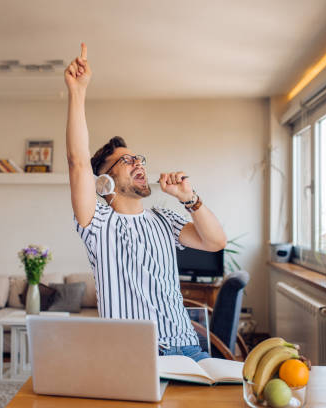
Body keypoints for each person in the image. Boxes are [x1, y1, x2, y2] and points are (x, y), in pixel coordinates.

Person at [64, 43, 227, 361]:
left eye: (138, 158)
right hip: (133, 356)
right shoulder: (98, 223)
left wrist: (188, 199)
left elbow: (216, 241)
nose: (138, 162)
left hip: (188, 350)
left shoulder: (165, 217)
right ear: (104, 181)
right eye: (127, 161)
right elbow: (78, 162)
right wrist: (78, 91)